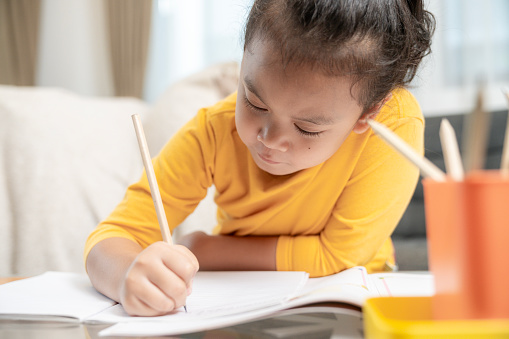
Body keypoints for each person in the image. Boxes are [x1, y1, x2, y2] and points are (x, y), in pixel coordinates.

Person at [85, 0, 435, 317]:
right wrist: (127, 276)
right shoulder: (213, 131)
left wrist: (203, 250)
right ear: (243, 58)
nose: (269, 140)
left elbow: (338, 256)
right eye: (254, 102)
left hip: (353, 298)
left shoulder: (392, 124)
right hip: (237, 300)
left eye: (306, 128)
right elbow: (112, 237)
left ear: (367, 115)